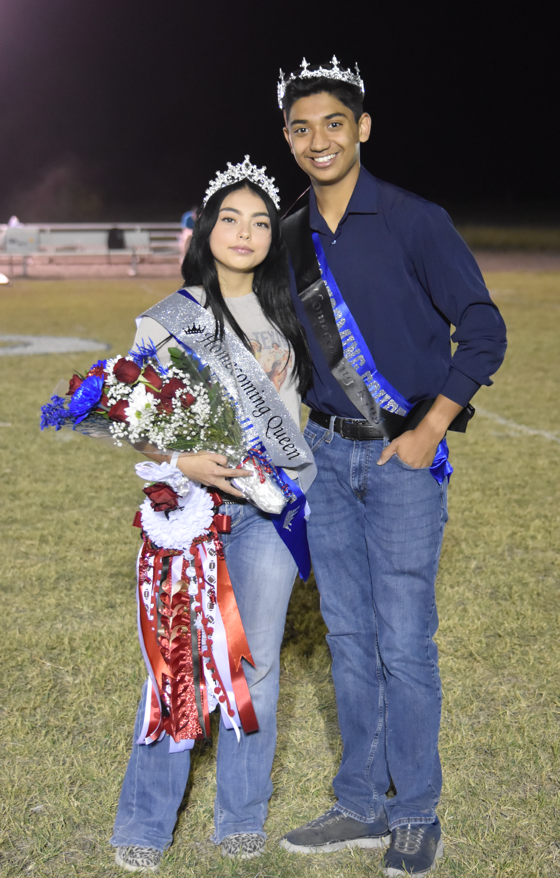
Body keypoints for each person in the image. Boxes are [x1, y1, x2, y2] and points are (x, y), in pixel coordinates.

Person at [276, 58, 507, 876]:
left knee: (405, 645)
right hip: (328, 460)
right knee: (347, 637)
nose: (319, 141)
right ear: (289, 140)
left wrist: (430, 427)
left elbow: (483, 330)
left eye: (334, 123)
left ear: (363, 128)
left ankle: (415, 812)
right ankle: (360, 803)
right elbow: (283, 352)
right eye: (301, 129)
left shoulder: (415, 220)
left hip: (403, 460)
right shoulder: (288, 236)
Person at [111, 159, 313, 871]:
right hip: (193, 515)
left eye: (261, 221)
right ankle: (143, 821)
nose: (246, 231)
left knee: (252, 667)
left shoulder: (294, 313)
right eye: (231, 217)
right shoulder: (170, 316)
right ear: (205, 227)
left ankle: (241, 816)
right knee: (176, 664)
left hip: (268, 518)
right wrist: (182, 462)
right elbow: (128, 417)